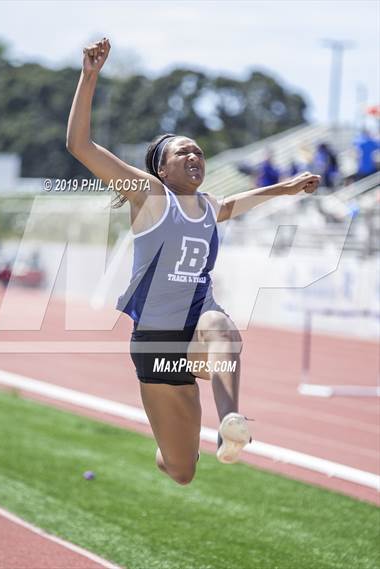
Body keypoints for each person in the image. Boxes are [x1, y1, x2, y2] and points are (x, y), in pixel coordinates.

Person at [66, 38, 320, 486]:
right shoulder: (149, 195)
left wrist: (284, 188)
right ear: (161, 169)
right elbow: (80, 145)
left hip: (197, 326)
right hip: (156, 344)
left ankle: (230, 426)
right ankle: (170, 451)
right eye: (183, 152)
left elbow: (236, 202)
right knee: (181, 470)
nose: (195, 156)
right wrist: (89, 78)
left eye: (199, 152)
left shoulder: (206, 205)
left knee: (222, 328)